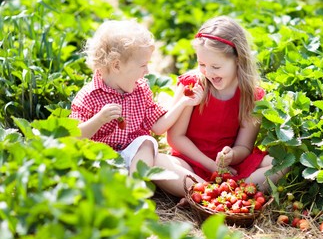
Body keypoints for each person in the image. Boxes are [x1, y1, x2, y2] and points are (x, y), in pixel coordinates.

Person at [154, 16, 286, 197]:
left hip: (231, 168)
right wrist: (211, 166)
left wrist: (232, 155)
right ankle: (218, 193)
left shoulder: (251, 96)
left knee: (282, 163)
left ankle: (215, 194)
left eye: (216, 66)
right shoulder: (193, 86)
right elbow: (176, 138)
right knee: (157, 161)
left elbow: (244, 147)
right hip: (190, 163)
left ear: (238, 59)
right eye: (202, 64)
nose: (208, 72)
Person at [69, 19, 202, 174]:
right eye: (142, 65)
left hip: (131, 156)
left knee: (146, 142)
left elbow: (158, 127)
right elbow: (75, 137)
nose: (147, 71)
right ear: (117, 65)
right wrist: (99, 119)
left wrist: (184, 103)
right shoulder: (88, 96)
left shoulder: (141, 89)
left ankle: (137, 184)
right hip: (101, 157)